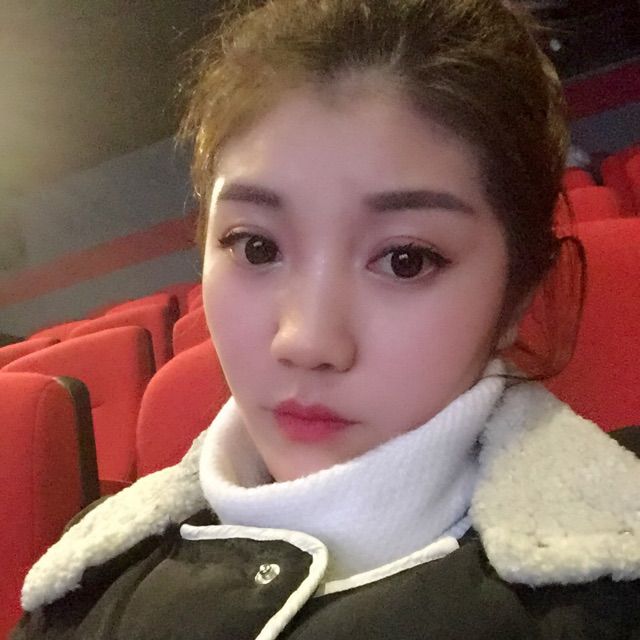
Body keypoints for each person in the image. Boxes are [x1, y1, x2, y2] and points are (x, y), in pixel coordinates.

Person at [13, 1, 640, 638]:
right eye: (257, 247)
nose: (307, 341)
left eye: (405, 260)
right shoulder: (86, 581)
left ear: (518, 296)